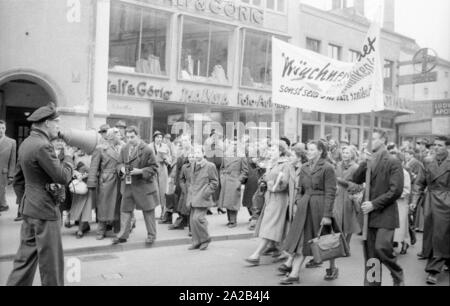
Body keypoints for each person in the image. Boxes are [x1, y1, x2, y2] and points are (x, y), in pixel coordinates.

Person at [7, 103, 74, 286]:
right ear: (46, 123)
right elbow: (63, 177)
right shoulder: (43, 146)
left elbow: (18, 179)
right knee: (51, 264)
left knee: (24, 261)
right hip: (45, 211)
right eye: (57, 123)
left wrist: (25, 201)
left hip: (29, 209)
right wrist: (68, 158)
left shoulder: (26, 143)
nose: (58, 127)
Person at [279, 140, 338, 285]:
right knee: (302, 241)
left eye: (312, 149)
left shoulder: (328, 167)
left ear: (320, 151)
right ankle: (294, 274)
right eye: (308, 149)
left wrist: (327, 215)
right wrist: (298, 201)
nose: (309, 152)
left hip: (320, 207)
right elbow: (300, 189)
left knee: (326, 240)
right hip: (304, 207)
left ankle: (332, 267)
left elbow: (331, 192)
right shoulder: (304, 167)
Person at [350, 130, 405, 286]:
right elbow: (356, 179)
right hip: (369, 216)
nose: (369, 142)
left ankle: (397, 274)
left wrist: (374, 204)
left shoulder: (393, 161)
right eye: (368, 138)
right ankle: (372, 283)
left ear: (383, 140)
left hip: (385, 213)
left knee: (382, 248)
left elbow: (396, 190)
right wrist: (363, 163)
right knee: (371, 254)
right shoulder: (368, 159)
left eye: (373, 139)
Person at [411, 136, 450, 285]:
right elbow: (419, 183)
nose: (436, 148)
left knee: (442, 234)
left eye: (440, 145)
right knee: (433, 234)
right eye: (435, 145)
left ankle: (434, 270)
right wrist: (414, 202)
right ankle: (438, 263)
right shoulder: (427, 161)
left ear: (447, 147)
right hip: (431, 200)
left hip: (447, 200)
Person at [245, 142, 291, 266]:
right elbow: (266, 178)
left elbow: (286, 183)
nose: (270, 152)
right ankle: (284, 252)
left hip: (279, 198)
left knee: (270, 225)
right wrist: (264, 181)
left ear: (281, 151)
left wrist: (274, 187)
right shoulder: (271, 163)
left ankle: (256, 255)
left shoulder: (285, 164)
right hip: (269, 197)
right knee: (272, 224)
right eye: (269, 150)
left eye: (273, 150)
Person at [113, 126, 159, 245]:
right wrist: (121, 169)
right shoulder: (124, 148)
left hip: (143, 185)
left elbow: (154, 168)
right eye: (127, 137)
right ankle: (123, 235)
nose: (129, 139)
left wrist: (140, 171)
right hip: (128, 184)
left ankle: (151, 235)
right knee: (125, 210)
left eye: (132, 137)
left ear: (138, 135)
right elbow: (119, 163)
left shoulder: (147, 149)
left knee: (148, 211)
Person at [88, 128, 123, 239]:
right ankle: (100, 231)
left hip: (118, 179)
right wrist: (91, 183)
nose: (121, 137)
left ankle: (118, 229)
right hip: (106, 180)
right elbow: (93, 167)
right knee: (103, 205)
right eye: (119, 135)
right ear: (112, 136)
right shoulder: (100, 148)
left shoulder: (121, 148)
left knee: (117, 205)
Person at [187, 146, 219, 251]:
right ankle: (196, 242)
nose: (196, 154)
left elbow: (214, 183)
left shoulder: (210, 166)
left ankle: (205, 239)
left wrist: (205, 193)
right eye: (194, 152)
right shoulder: (193, 165)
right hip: (193, 197)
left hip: (202, 197)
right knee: (192, 221)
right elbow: (191, 182)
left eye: (198, 152)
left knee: (198, 219)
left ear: (203, 153)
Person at [333, 146, 362, 247]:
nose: (344, 155)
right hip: (337, 195)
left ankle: (347, 243)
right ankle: (340, 243)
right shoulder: (338, 165)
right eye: (343, 152)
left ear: (352, 155)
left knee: (349, 221)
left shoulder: (356, 167)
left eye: (347, 153)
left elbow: (359, 186)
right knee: (337, 219)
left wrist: (344, 182)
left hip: (349, 196)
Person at [218, 140, 249, 228]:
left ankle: (233, 220)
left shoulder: (242, 157)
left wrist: (239, 180)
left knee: (233, 202)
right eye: (232, 144)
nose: (233, 146)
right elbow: (222, 168)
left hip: (235, 180)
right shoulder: (225, 156)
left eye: (235, 144)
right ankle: (229, 220)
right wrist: (222, 177)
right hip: (226, 181)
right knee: (227, 201)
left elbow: (245, 171)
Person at [69, 149, 93, 239]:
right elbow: (71, 168)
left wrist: (84, 176)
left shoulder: (92, 155)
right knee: (78, 206)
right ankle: (85, 226)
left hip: (88, 184)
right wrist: (76, 174)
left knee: (85, 207)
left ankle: (80, 229)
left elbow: (95, 171)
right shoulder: (74, 155)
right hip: (77, 186)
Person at [392, 152, 412, 255]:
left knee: (401, 225)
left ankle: (403, 242)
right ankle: (395, 243)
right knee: (393, 224)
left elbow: (407, 190)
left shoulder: (405, 173)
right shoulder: (390, 172)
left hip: (400, 202)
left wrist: (395, 195)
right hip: (391, 202)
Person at [151, 131, 172, 224]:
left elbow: (170, 159)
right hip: (153, 169)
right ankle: (152, 212)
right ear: (154, 138)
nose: (159, 139)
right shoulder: (149, 146)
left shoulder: (165, 147)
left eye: (160, 137)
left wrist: (166, 159)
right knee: (153, 191)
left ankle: (163, 212)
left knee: (163, 191)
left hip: (162, 169)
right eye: (157, 137)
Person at [0, 120, 17, 215]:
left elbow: (12, 160)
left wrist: (11, 175)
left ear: (5, 129)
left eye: (2, 128)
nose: (1, 130)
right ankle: (3, 205)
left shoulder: (12, 142)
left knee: (2, 190)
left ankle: (3, 205)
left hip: (3, 171)